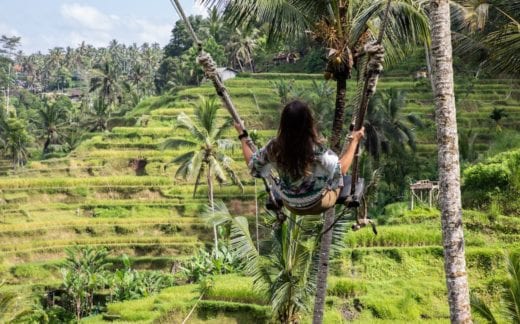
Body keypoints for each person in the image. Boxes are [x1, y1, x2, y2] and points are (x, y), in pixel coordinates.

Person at [234, 100, 365, 215]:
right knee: (341, 177)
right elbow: (341, 169)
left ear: (283, 123)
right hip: (320, 203)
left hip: (291, 204)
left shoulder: (274, 147)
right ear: (309, 123)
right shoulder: (316, 149)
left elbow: (252, 164)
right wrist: (354, 142)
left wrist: (242, 137)